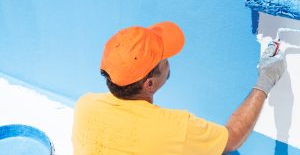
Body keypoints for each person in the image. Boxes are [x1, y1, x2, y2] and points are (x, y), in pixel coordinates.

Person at [72, 21, 285, 155]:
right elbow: (232, 139)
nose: (169, 61)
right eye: (164, 59)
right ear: (149, 84)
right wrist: (265, 81)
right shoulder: (175, 129)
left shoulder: (85, 105)